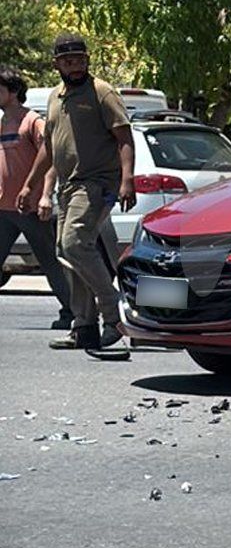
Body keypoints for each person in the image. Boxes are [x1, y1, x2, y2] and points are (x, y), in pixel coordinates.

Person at [18, 35, 137, 351]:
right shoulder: (56, 97)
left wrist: (128, 180)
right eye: (69, 61)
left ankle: (113, 313)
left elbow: (124, 137)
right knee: (66, 253)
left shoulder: (102, 93)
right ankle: (84, 327)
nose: (75, 67)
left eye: (81, 60)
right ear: (56, 63)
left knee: (75, 244)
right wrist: (30, 184)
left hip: (97, 183)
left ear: (87, 60)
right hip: (68, 186)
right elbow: (49, 148)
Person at [0, 66, 75, 329]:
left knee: (50, 263)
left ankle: (73, 313)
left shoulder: (32, 121)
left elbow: (50, 158)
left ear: (13, 92)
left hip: (29, 208)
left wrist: (45, 195)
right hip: (4, 209)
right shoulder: (1, 123)